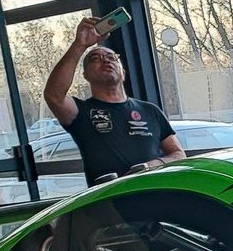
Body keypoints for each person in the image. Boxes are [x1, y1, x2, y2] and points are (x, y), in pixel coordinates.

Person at [43, 15, 183, 186]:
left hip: (155, 192)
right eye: (95, 59)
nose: (105, 60)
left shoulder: (150, 110)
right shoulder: (81, 111)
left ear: (123, 72)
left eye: (112, 57)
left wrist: (151, 166)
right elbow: (53, 95)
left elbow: (178, 154)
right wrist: (79, 45)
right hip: (110, 199)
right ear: (85, 75)